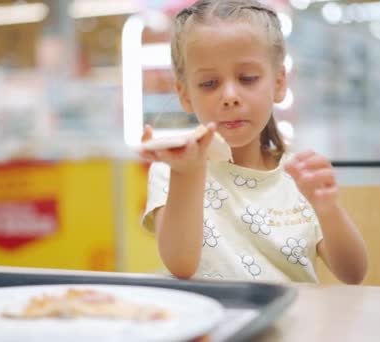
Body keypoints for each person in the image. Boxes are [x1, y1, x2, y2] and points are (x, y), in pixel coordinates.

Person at [140, 0, 367, 284]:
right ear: (185, 94)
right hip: (220, 325)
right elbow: (181, 264)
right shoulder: (172, 171)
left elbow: (353, 273)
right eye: (209, 83)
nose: (230, 95)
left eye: (248, 78)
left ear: (279, 83)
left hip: (296, 324)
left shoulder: (297, 175)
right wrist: (188, 171)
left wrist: (328, 209)